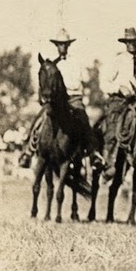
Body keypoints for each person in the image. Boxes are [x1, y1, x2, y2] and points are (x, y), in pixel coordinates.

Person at [18, 29, 104, 169]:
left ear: (68, 46)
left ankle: (92, 153)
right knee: (40, 118)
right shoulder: (50, 64)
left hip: (73, 98)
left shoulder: (76, 62)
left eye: (64, 44)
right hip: (56, 101)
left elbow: (82, 80)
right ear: (56, 46)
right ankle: (28, 150)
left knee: (83, 120)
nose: (62, 47)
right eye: (59, 44)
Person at [101, 27, 136, 179]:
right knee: (114, 125)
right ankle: (109, 162)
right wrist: (119, 88)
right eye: (129, 42)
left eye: (134, 42)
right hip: (120, 100)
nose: (132, 44)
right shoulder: (118, 60)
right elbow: (104, 83)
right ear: (125, 43)